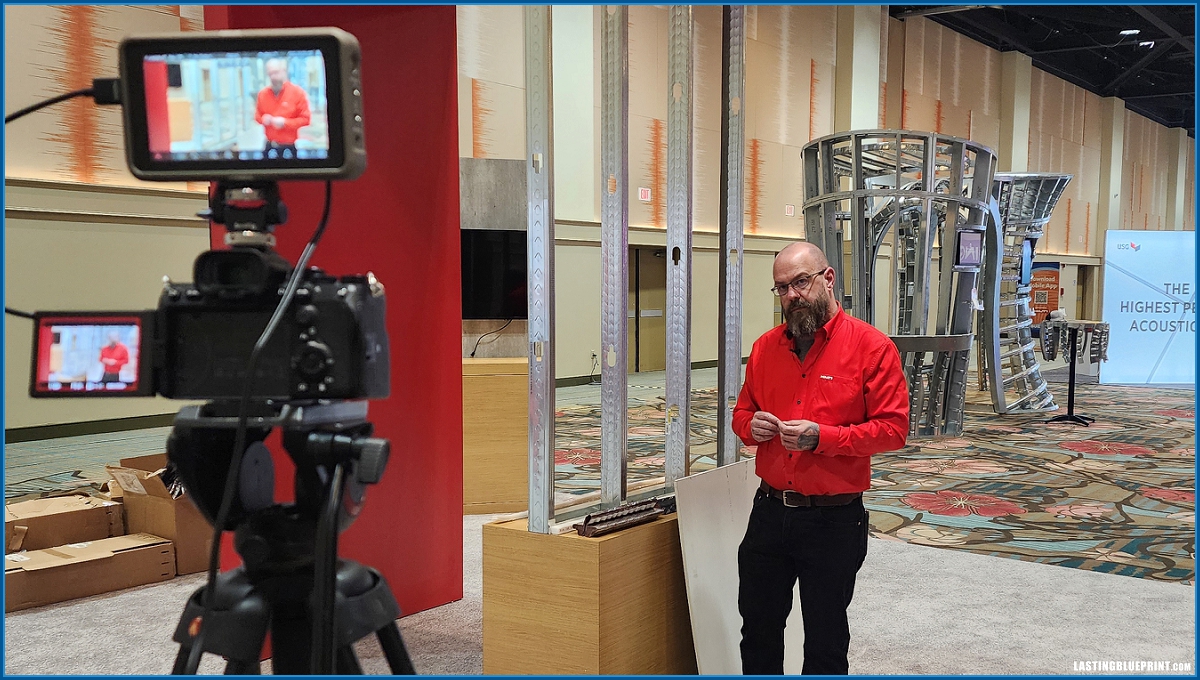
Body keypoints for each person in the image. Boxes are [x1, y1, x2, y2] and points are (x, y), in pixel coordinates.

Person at [732, 241, 910, 675]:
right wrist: (747, 427)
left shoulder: (872, 348)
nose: (792, 296)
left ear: (828, 279)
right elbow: (742, 411)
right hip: (769, 512)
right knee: (758, 629)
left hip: (833, 520)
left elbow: (894, 430)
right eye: (782, 288)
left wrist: (822, 438)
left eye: (800, 282)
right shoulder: (764, 349)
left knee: (826, 641)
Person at [254, 57, 311, 158]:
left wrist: (285, 123)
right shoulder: (262, 94)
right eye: (270, 73)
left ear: (283, 72)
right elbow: (257, 117)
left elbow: (305, 119)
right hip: (269, 145)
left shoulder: (297, 93)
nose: (273, 77)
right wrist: (262, 119)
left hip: (289, 146)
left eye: (275, 72)